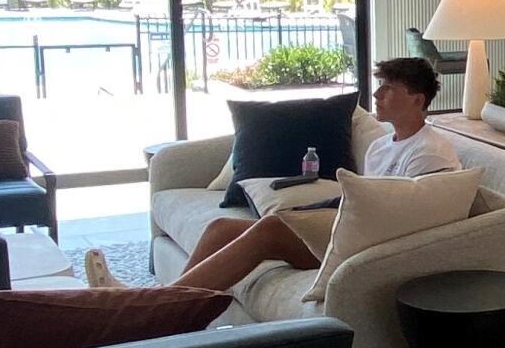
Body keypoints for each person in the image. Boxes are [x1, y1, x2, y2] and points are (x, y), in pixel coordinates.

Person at [167, 54, 460, 294]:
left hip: (365, 245)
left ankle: (159, 311)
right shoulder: (380, 147)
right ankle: (167, 303)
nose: (377, 94)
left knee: (270, 231)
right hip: (347, 226)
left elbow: (414, 222)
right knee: (221, 228)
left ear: (418, 101)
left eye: (389, 88)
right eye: (379, 85)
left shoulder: (430, 152)